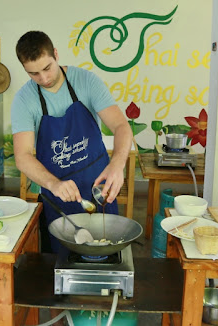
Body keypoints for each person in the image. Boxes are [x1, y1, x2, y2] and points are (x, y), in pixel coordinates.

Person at [12, 31, 132, 253]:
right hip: (58, 193)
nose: (44, 79)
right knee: (62, 258)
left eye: (47, 68)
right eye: (34, 74)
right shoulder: (23, 100)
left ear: (56, 54)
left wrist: (117, 165)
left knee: (107, 250)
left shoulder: (86, 81)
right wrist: (53, 184)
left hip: (99, 187)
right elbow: (23, 156)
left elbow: (121, 127)